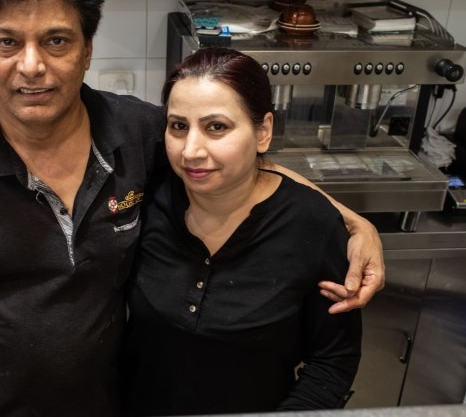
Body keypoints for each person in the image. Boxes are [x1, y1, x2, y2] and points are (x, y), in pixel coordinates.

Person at [0, 0, 381, 417]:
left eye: (57, 41)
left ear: (87, 52)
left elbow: (233, 166)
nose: (32, 65)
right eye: (8, 42)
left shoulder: (136, 131)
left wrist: (355, 224)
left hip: (115, 403)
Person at [121, 47, 362, 415]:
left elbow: (334, 358)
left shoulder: (311, 224)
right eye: (178, 126)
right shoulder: (147, 197)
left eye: (216, 127)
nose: (191, 151)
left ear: (263, 131)